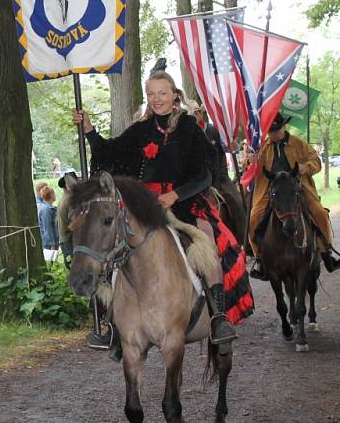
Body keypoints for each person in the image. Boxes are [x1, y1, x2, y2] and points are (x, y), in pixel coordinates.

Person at [74, 69, 253, 355]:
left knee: (206, 239)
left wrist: (176, 194)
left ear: (174, 96)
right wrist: (89, 131)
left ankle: (218, 317)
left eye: (162, 93)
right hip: (144, 205)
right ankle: (113, 324)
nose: (156, 99)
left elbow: (205, 174)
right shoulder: (140, 129)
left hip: (184, 202)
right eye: (151, 94)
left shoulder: (189, 128)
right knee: (111, 242)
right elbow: (109, 154)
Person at [247, 113, 339, 278]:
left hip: (297, 188)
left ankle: (327, 254)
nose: (273, 134)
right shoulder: (262, 147)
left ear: (284, 127)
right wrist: (250, 161)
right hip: (271, 191)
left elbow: (316, 161)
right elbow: (251, 171)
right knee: (253, 218)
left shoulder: (298, 143)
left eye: (276, 130)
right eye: (270, 131)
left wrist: (305, 167)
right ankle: (260, 259)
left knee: (320, 213)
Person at [56, 171, 79, 268]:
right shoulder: (70, 200)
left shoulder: (64, 198)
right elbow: (74, 223)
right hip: (69, 240)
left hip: (64, 239)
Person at [37, 186, 59, 251]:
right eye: (54, 193)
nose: (55, 195)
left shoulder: (49, 208)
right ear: (51, 195)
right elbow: (47, 228)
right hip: (49, 244)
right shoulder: (46, 210)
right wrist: (52, 244)